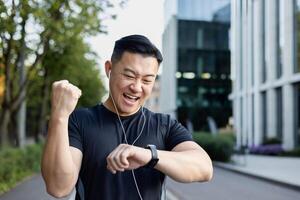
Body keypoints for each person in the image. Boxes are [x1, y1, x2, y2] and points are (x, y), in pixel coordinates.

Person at [41, 35, 213, 200]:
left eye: (147, 80)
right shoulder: (80, 121)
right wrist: (59, 116)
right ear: (109, 69)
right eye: (129, 76)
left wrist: (148, 156)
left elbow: (204, 168)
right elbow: (58, 187)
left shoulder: (164, 125)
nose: (137, 87)